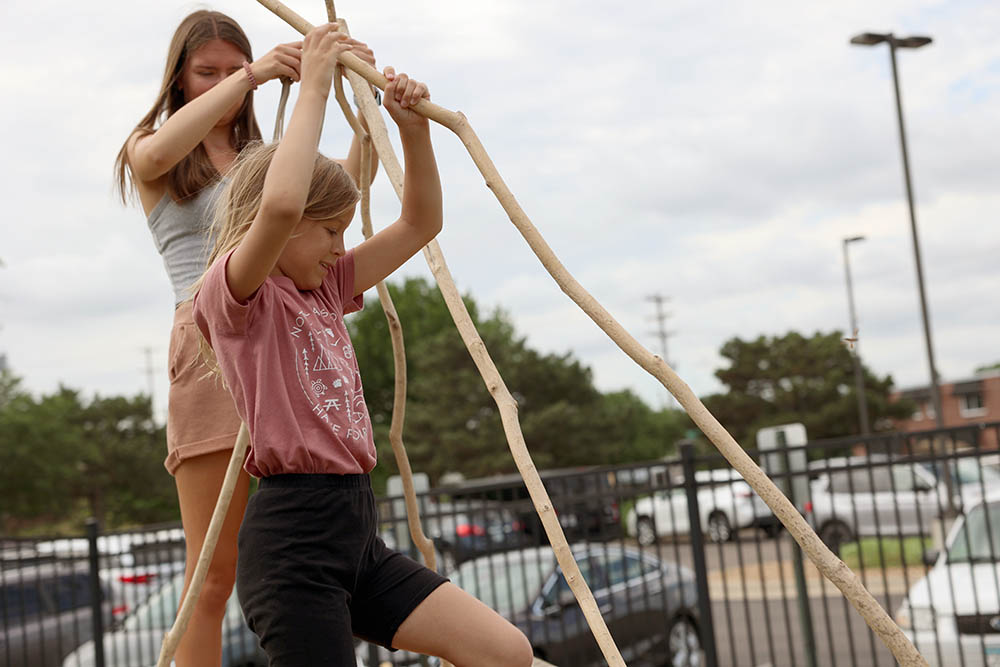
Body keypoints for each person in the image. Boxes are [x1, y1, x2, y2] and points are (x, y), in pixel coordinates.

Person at [190, 22, 534, 667]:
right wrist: (316, 81)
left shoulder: (325, 289)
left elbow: (421, 221)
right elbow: (285, 202)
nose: (341, 248)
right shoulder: (238, 295)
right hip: (293, 547)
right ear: (280, 228)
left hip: (357, 533)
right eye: (330, 231)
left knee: (505, 652)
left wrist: (411, 129)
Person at [113, 11, 377, 666]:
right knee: (212, 568)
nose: (227, 82)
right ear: (178, 79)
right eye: (209, 72)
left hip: (280, 344)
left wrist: (365, 102)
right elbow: (151, 154)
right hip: (209, 347)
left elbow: (339, 188)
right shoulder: (155, 152)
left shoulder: (267, 160)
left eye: (237, 69)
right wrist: (256, 74)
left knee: (312, 536)